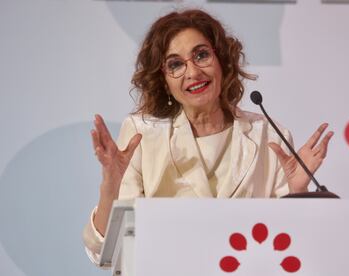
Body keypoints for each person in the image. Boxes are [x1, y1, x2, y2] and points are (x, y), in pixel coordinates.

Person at [82, 9, 333, 266]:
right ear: (164, 80)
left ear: (221, 60)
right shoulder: (142, 133)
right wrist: (110, 184)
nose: (192, 72)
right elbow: (102, 252)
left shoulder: (267, 134)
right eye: (175, 64)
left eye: (201, 55)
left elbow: (288, 243)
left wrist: (297, 191)